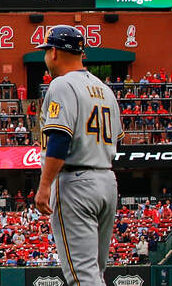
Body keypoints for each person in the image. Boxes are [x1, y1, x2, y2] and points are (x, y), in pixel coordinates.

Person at [34, 25, 123, 286]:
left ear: (54, 52)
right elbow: (118, 139)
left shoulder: (62, 84)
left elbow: (60, 140)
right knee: (95, 272)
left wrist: (44, 186)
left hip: (76, 182)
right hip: (106, 179)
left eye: (46, 51)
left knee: (82, 276)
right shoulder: (104, 89)